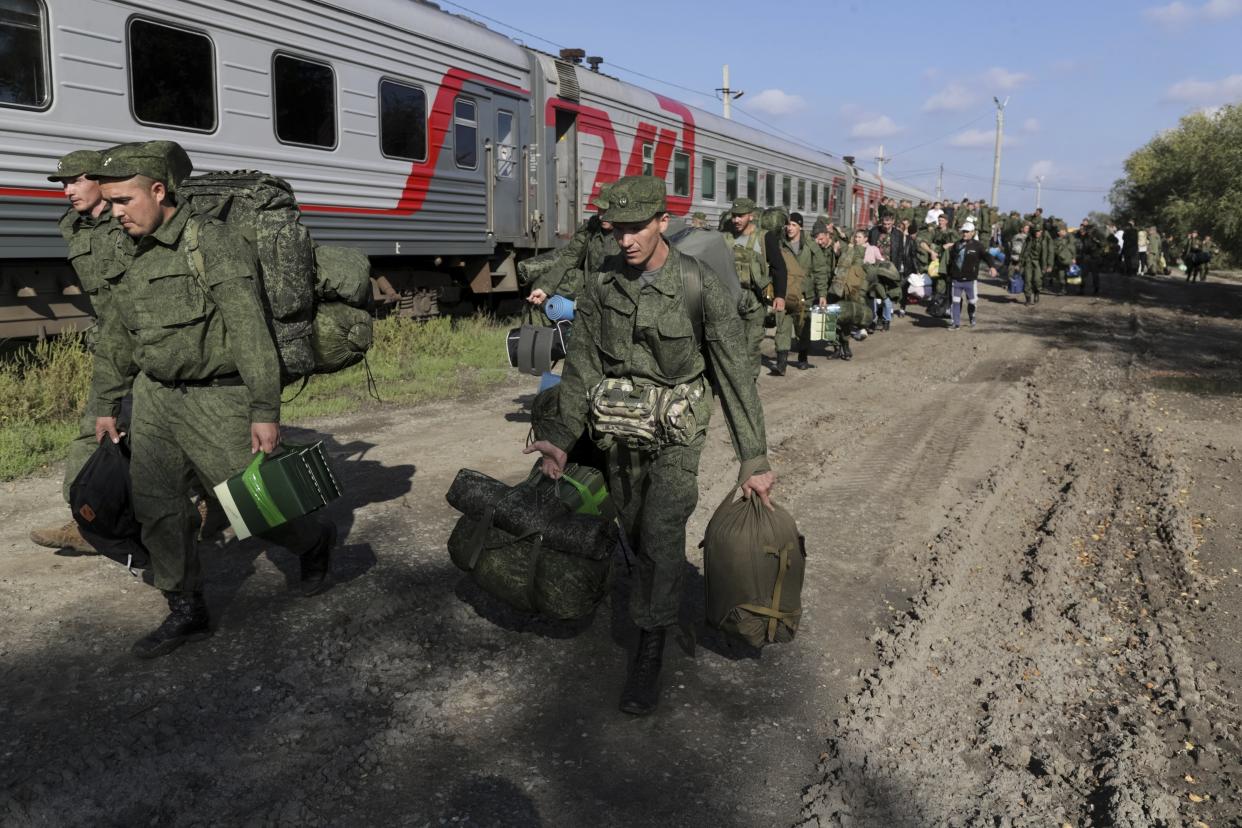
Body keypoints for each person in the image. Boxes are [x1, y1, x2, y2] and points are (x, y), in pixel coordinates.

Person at [524, 175, 775, 716]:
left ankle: (649, 651)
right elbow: (583, 366)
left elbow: (734, 374)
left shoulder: (698, 285)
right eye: (618, 230)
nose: (627, 240)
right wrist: (563, 439)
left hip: (677, 433)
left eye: (638, 228)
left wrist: (753, 459)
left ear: (663, 221)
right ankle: (650, 593)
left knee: (661, 532)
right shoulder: (601, 286)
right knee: (634, 527)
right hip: (619, 428)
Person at [88, 141, 338, 659]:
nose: (115, 213)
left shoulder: (213, 242)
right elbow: (116, 334)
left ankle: (313, 541)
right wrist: (106, 403)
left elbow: (250, 332)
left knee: (258, 504)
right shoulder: (126, 251)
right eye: (109, 202)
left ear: (159, 192)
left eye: (124, 200)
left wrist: (265, 410)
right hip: (153, 399)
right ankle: (186, 609)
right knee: (159, 509)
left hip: (217, 399)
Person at [29, 150, 132, 555]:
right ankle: (86, 522)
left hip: (152, 341)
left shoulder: (129, 219)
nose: (68, 191)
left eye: (76, 180)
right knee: (95, 429)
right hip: (114, 343)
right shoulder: (75, 225)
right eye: (63, 183)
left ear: (101, 181)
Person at [724, 197, 786, 378]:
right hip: (730, 300)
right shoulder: (726, 236)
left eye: (740, 216)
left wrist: (780, 296)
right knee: (732, 346)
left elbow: (779, 268)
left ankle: (749, 384)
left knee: (751, 345)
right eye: (734, 216)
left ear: (751, 216)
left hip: (755, 301)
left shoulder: (764, 237)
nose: (736, 220)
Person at [771, 212, 829, 374]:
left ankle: (803, 357)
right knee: (782, 326)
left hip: (805, 295)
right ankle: (781, 363)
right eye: (788, 224)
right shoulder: (780, 245)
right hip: (785, 293)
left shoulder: (811, 246)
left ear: (801, 227)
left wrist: (822, 294)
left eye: (794, 225)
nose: (790, 228)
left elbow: (820, 271)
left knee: (803, 328)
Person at [944, 222, 998, 329]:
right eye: (963, 231)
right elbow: (951, 261)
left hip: (970, 280)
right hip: (957, 279)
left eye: (967, 231)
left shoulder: (978, 246)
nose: (964, 234)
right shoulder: (957, 244)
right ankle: (956, 323)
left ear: (973, 233)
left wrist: (992, 267)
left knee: (972, 302)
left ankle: (972, 316)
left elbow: (987, 256)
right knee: (955, 301)